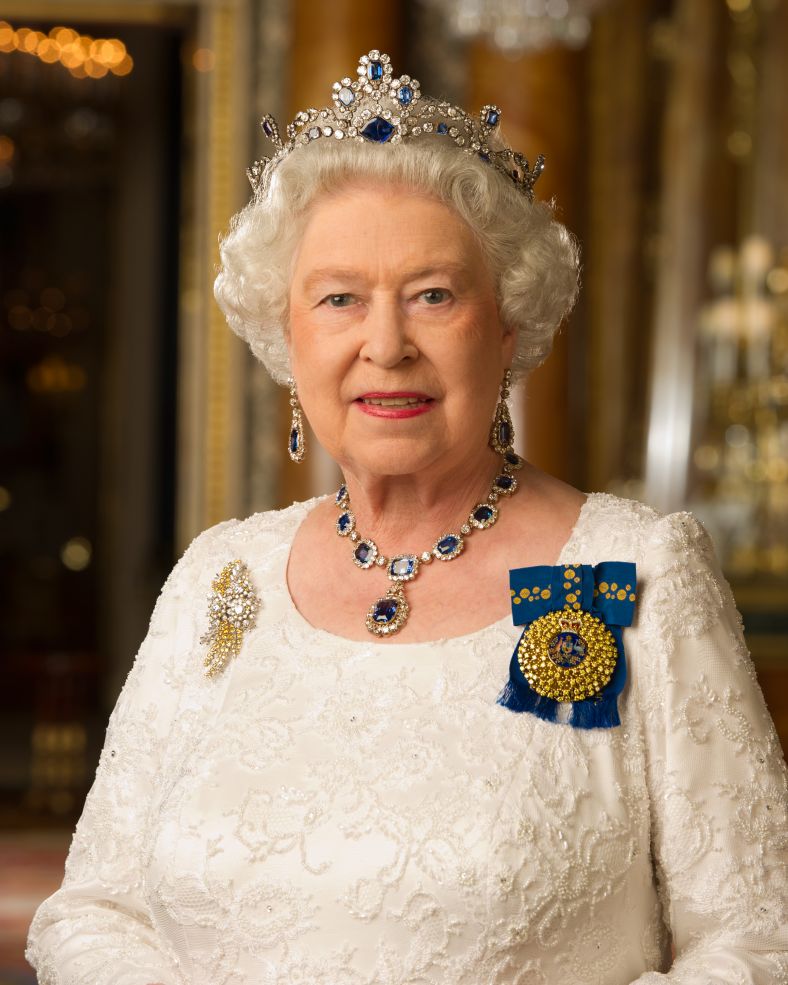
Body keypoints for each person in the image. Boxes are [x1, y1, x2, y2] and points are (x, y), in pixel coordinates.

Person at [27, 49, 787, 985]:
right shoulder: (222, 580)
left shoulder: (635, 570)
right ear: (288, 335)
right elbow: (93, 909)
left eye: (434, 295)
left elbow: (759, 939)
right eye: (340, 298)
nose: (385, 345)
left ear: (505, 330)